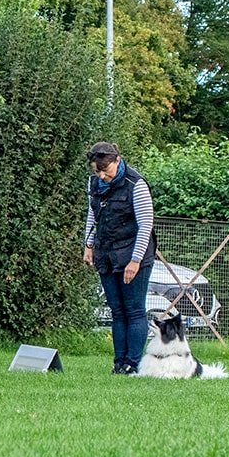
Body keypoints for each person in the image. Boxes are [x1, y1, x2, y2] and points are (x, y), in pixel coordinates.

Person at [83, 141, 156, 374]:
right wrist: (88, 244)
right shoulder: (95, 183)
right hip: (106, 253)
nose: (102, 176)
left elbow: (145, 225)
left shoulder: (136, 184)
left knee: (134, 310)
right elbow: (92, 214)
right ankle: (119, 363)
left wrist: (135, 261)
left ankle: (132, 364)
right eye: (97, 171)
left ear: (117, 160)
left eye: (106, 170)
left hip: (134, 253)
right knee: (117, 310)